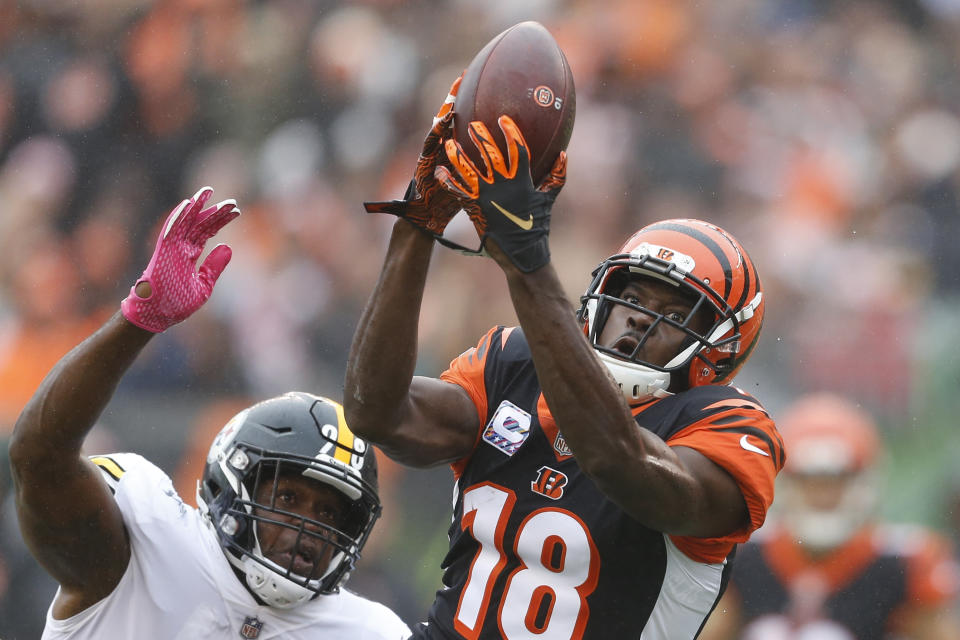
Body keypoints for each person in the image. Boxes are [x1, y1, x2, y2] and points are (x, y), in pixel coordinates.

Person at [344, 78, 784, 638]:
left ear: (720, 345)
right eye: (630, 298)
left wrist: (528, 261)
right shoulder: (515, 360)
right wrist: (418, 224)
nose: (638, 321)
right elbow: (377, 412)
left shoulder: (730, 425)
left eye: (674, 312)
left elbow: (620, 465)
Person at [7, 187, 411, 639]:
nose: (308, 528)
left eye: (330, 514)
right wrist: (138, 323)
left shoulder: (369, 631)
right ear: (234, 486)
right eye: (289, 498)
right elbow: (38, 456)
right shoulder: (147, 542)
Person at [700, 393, 960, 640]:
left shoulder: (904, 561)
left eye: (836, 481)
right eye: (809, 481)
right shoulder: (742, 554)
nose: (822, 496)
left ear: (866, 482)